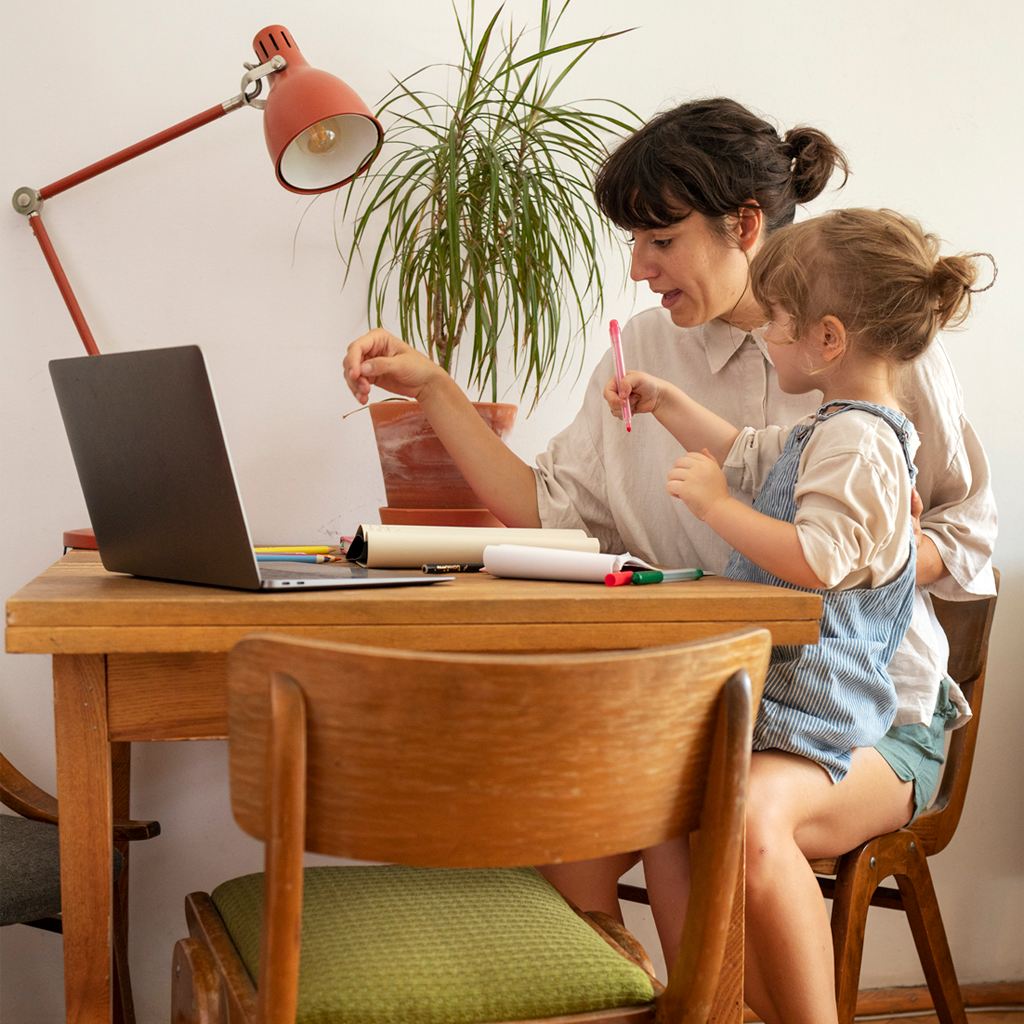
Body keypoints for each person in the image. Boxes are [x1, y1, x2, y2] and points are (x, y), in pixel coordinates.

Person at [342, 98, 997, 1024]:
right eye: (635, 240)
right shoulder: (649, 348)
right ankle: (680, 1007)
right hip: (717, 710)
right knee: (560, 831)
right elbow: (551, 507)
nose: (640, 267)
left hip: (869, 709)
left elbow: (970, 535)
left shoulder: (869, 343)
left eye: (660, 237)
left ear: (745, 225)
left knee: (728, 820)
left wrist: (844, 561)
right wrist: (438, 389)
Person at [599, 208, 987, 1002]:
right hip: (803, 715)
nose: (764, 332)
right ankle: (713, 1008)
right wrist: (667, 400)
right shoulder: (828, 430)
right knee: (668, 806)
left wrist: (714, 508)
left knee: (733, 814)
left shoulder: (862, 446)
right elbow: (743, 452)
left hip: (845, 722)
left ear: (829, 340)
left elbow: (817, 562)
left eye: (775, 319)